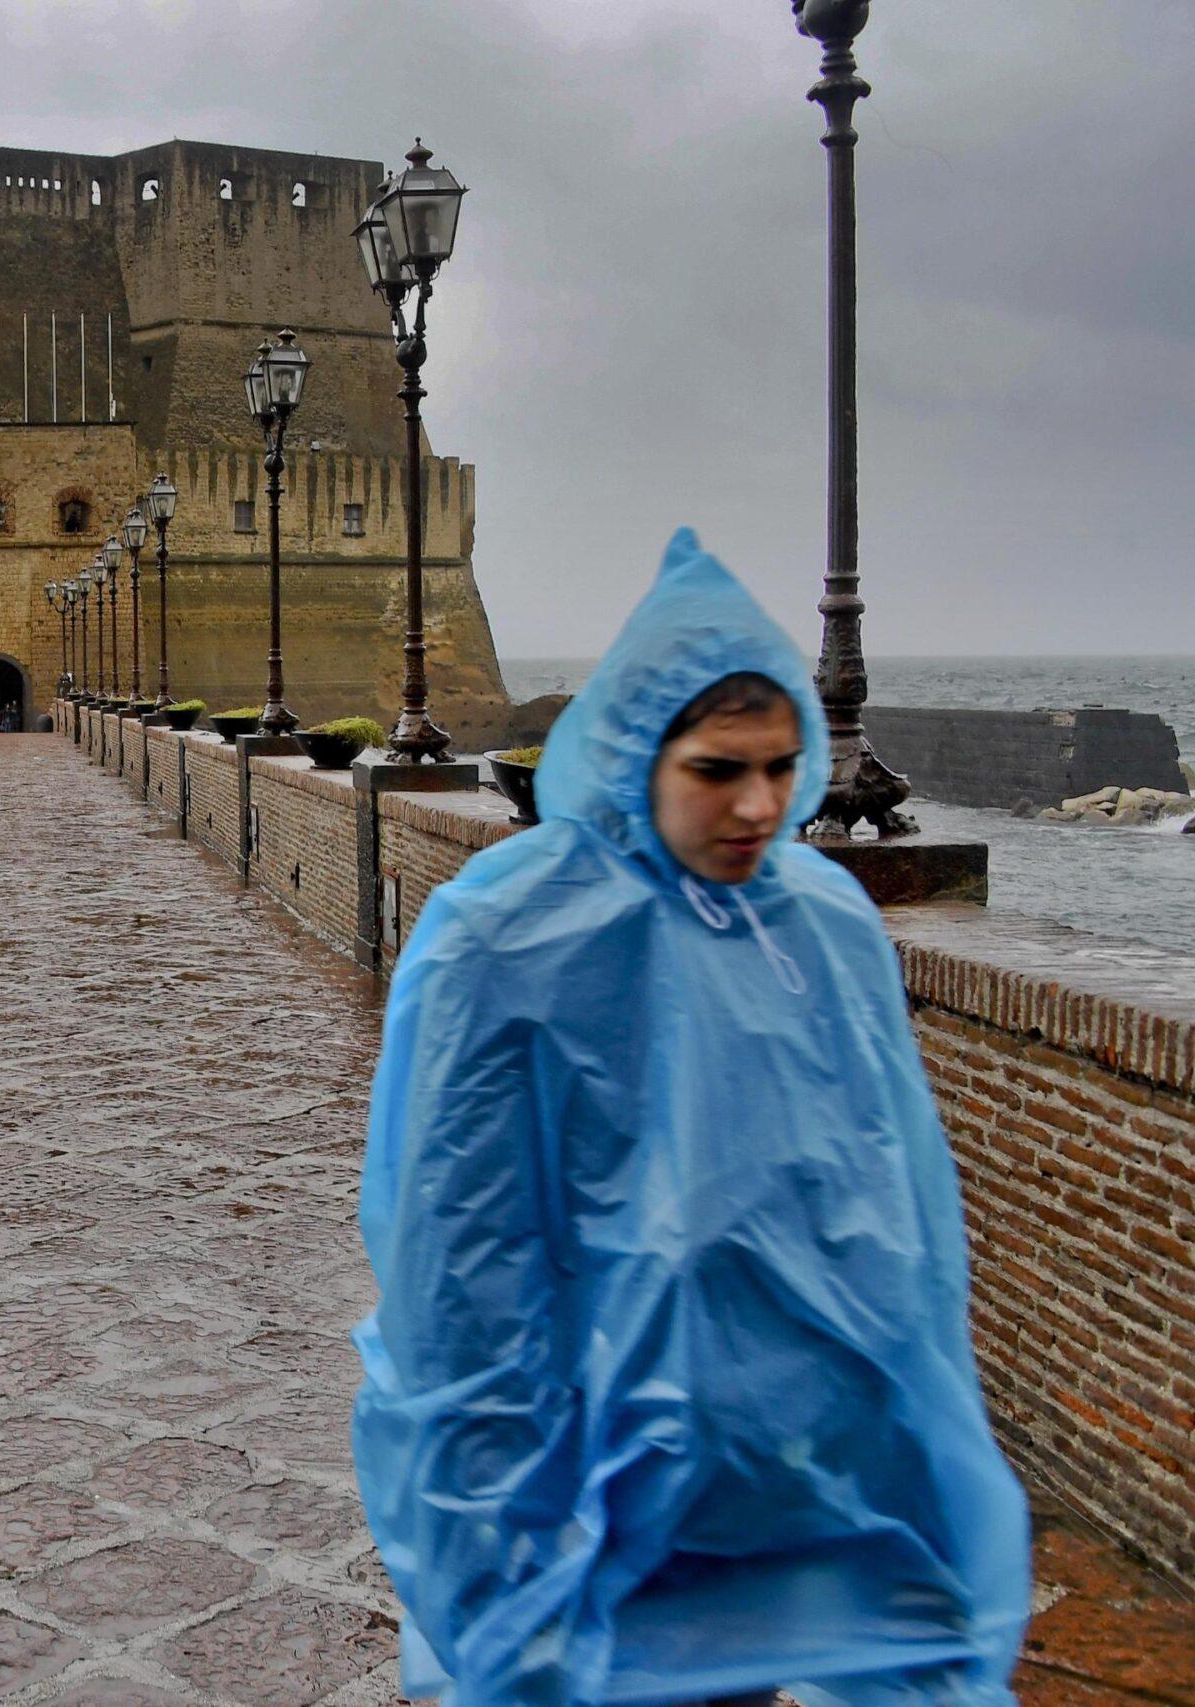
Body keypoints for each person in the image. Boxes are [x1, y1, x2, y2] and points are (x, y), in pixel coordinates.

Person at [352, 530, 1029, 1707]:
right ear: (634, 753)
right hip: (588, 1470)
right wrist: (489, 1523)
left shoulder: (818, 921)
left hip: (786, 1467)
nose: (760, 805)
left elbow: (892, 1190)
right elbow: (459, 1254)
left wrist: (900, 1430)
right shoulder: (505, 936)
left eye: (780, 766)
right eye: (719, 770)